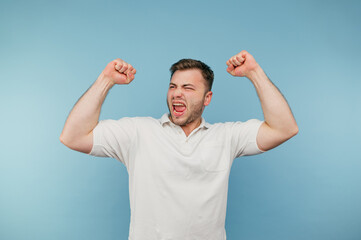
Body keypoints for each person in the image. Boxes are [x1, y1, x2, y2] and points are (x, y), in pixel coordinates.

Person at [60, 50, 298, 240]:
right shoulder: (137, 132)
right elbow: (73, 136)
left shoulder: (226, 137)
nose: (176, 94)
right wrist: (106, 81)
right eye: (173, 86)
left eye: (188, 88)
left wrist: (255, 73)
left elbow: (284, 128)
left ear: (207, 99)